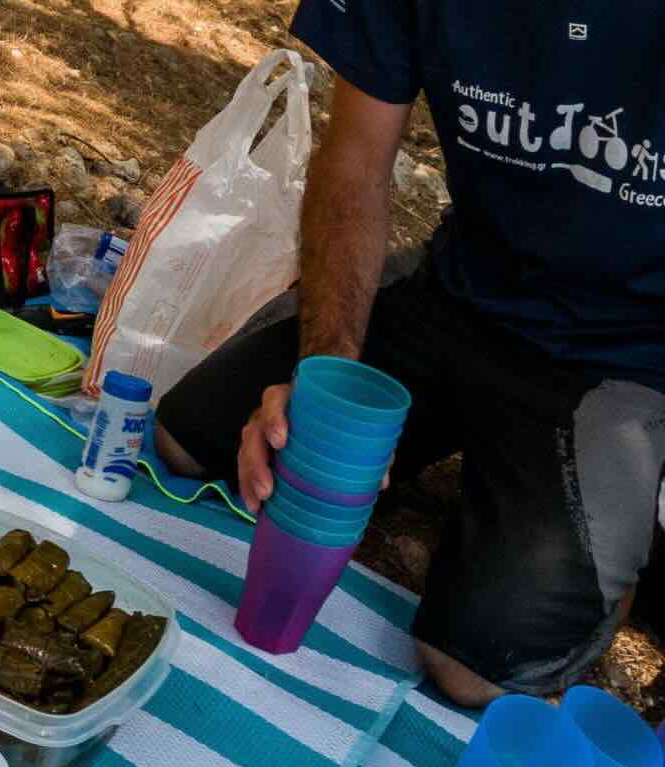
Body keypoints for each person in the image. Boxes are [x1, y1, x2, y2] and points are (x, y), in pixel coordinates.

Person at [154, 2, 665, 707]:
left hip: (622, 355)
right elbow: (356, 163)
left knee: (476, 668)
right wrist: (327, 371)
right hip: (460, 289)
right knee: (191, 437)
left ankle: (615, 535)